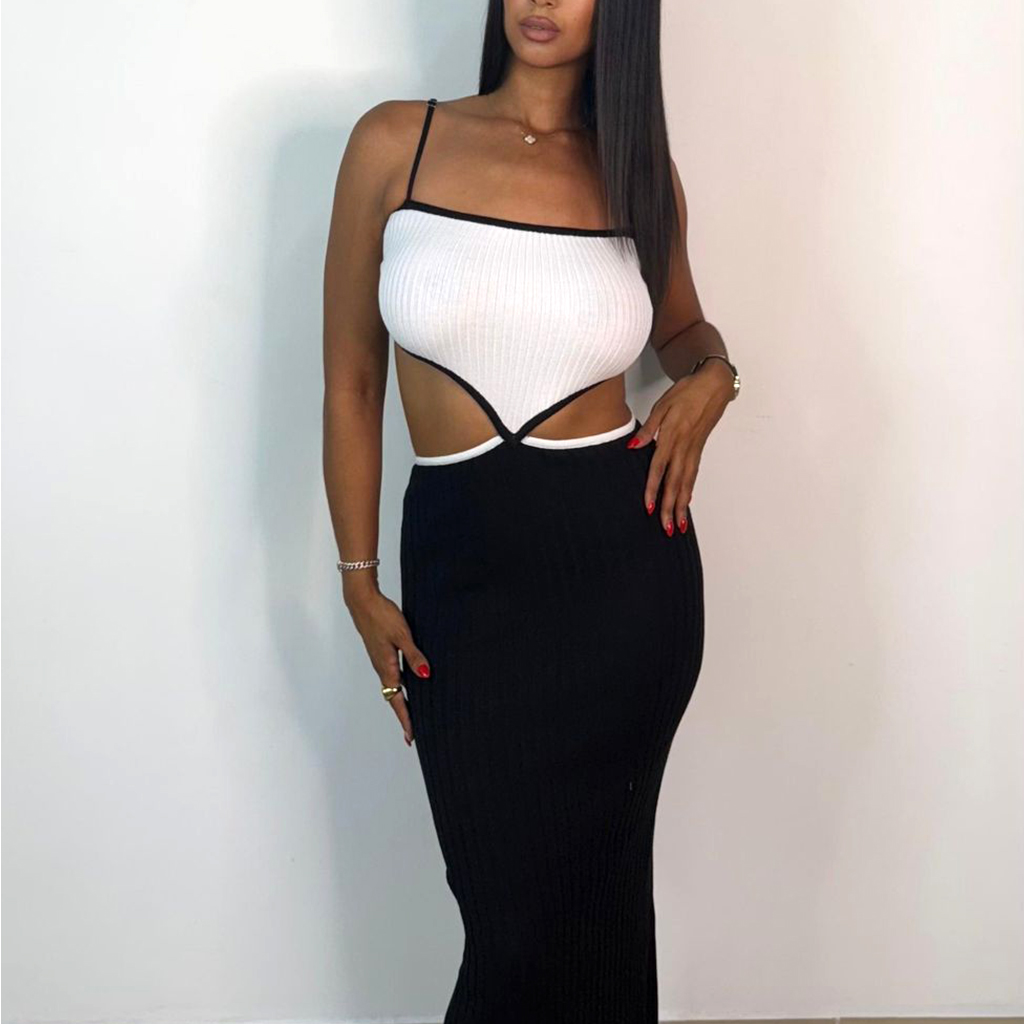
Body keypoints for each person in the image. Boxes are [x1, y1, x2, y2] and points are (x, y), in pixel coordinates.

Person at [322, 2, 739, 1019]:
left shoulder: (638, 174)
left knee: (594, 918)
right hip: (459, 581)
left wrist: (715, 375)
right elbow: (351, 384)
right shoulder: (395, 143)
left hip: (624, 585)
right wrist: (359, 582)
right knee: (508, 925)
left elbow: (683, 330)